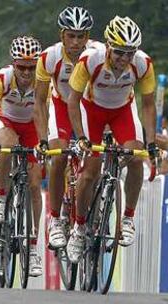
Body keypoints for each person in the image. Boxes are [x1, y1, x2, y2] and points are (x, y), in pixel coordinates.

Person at [66, 16, 158, 263]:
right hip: (92, 110)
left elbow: (148, 106)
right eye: (119, 53)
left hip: (122, 112)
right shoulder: (90, 60)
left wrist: (150, 142)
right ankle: (78, 228)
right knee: (90, 171)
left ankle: (128, 217)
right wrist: (82, 138)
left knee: (136, 156)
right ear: (108, 46)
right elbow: (73, 102)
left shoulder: (143, 63)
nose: (124, 60)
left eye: (130, 53)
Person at [33, 6, 97, 250]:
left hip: (90, 107)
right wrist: (41, 139)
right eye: (71, 35)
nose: (77, 42)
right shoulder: (49, 57)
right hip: (61, 107)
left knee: (96, 163)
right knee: (58, 157)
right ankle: (56, 220)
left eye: (82, 36)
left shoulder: (98, 53)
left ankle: (92, 213)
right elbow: (39, 101)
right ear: (62, 35)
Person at [0, 36, 44, 277]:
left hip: (31, 125)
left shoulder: (42, 80)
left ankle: (33, 247)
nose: (27, 72)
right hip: (5, 121)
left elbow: (44, 114)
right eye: (22, 67)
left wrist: (44, 142)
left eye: (31, 66)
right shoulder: (2, 78)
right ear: (13, 64)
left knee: (35, 183)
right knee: (6, 143)